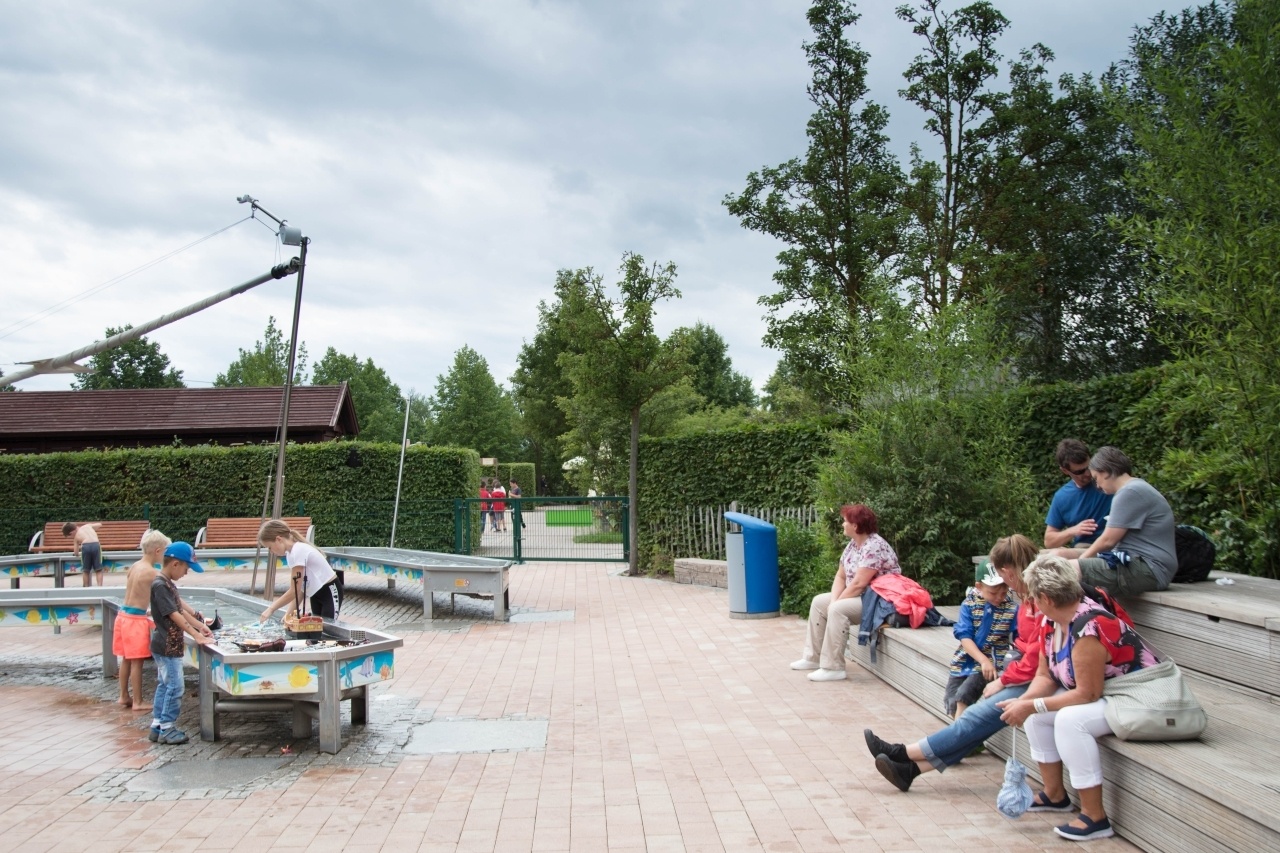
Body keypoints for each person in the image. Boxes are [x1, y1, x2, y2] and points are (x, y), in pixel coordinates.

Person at [997, 554, 1159, 842]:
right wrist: (1024, 703)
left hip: (1136, 697)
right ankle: (1054, 795)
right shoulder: (1051, 621)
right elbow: (1045, 677)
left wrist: (1032, 704)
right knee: (1036, 717)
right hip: (1107, 694)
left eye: (1033, 596)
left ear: (1046, 598)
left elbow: (1087, 693)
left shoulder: (1089, 626)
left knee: (1070, 721)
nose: (1031, 602)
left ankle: (1095, 817)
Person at [864, 534, 1042, 791]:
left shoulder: (1039, 600)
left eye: (1004, 577)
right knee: (977, 723)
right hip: (1024, 672)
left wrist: (1004, 679)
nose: (1006, 587)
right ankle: (910, 771)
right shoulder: (1026, 600)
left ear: (1008, 571)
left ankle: (902, 753)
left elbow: (1037, 657)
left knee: (975, 718)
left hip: (1036, 678)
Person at [791, 504, 900, 682]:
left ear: (855, 526)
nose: (842, 524)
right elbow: (840, 576)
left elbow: (858, 584)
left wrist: (836, 604)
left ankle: (833, 668)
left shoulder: (874, 546)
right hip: (859, 596)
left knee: (838, 609)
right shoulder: (853, 545)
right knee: (819, 602)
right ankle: (813, 658)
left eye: (845, 521)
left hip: (878, 601)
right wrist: (834, 600)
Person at [1056, 446, 1178, 597]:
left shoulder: (1129, 492)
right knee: (1055, 560)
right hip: (1141, 564)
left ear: (1105, 472)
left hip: (1150, 569)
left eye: (1096, 478)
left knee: (1064, 571)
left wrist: (1081, 561)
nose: (1097, 485)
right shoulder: (1135, 488)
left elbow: (1108, 541)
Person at [148, 542, 212, 745]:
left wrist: (199, 626)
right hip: (167, 645)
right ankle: (167, 728)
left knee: (165, 684)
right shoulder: (160, 585)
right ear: (175, 564)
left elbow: (180, 610)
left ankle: (157, 725)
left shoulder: (166, 583)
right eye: (186, 568)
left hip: (166, 644)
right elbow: (174, 615)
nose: (186, 573)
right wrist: (195, 635)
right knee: (175, 687)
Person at [944, 561, 1018, 718]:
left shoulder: (1011, 608)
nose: (999, 597)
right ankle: (961, 728)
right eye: (993, 592)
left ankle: (959, 733)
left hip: (991, 663)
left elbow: (1018, 637)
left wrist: (988, 662)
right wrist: (982, 660)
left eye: (1003, 592)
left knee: (964, 695)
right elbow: (964, 636)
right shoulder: (969, 605)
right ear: (979, 586)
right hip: (964, 661)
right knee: (951, 700)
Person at [114, 529, 171, 710]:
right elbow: (170, 594)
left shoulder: (135, 566)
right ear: (158, 551)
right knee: (137, 661)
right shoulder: (152, 572)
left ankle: (124, 695)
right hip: (135, 621)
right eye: (165, 552)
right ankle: (138, 702)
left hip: (123, 616)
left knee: (126, 658)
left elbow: (138, 593)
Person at [258, 519, 343, 621]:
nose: (271, 552)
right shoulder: (290, 554)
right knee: (317, 628)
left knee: (328, 627)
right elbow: (300, 589)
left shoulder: (298, 550)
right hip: (315, 593)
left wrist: (271, 609)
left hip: (330, 591)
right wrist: (288, 615)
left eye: (269, 547)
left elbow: (294, 591)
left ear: (278, 539)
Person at [1044, 439, 1112, 549]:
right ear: (1065, 471)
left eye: (1089, 467)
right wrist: (1073, 531)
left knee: (1058, 553)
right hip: (1084, 547)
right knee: (1041, 555)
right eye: (1079, 472)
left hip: (1112, 546)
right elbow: (1049, 542)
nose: (1088, 473)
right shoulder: (1062, 497)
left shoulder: (1108, 479)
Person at [63, 520, 104, 588]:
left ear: (71, 533)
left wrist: (77, 554)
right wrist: (92, 528)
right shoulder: (87, 526)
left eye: (70, 536)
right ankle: (100, 587)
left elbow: (76, 552)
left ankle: (86, 587)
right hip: (96, 545)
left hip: (85, 546)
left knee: (86, 570)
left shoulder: (76, 537)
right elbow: (99, 524)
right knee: (98, 569)